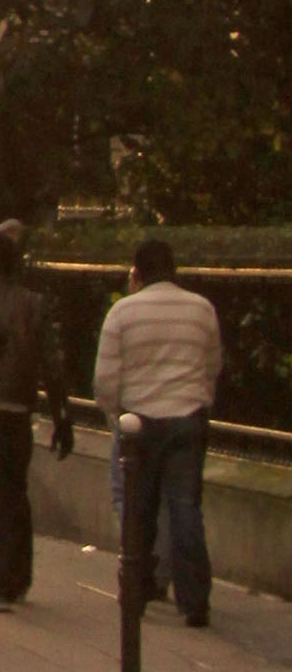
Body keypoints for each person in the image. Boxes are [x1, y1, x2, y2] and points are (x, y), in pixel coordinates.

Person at [94, 236, 225, 629]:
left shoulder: (123, 313)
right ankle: (195, 601)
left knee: (140, 510)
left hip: (140, 422)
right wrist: (200, 399)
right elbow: (213, 364)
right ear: (174, 269)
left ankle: (136, 591)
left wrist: (115, 416)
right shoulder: (201, 309)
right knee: (185, 507)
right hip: (188, 416)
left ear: (137, 271)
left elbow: (105, 380)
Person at [0, 221, 72, 609]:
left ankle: (1, 580)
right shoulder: (31, 302)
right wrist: (61, 413)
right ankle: (19, 574)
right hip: (18, 408)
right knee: (15, 491)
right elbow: (51, 363)